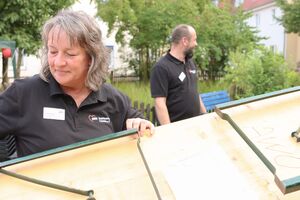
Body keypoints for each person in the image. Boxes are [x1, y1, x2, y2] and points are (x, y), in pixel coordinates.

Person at [0, 10, 154, 157]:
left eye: (70, 54)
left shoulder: (113, 99)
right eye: (53, 52)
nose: (58, 62)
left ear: (91, 58)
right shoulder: (24, 93)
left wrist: (141, 125)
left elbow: (142, 132)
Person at [150, 24, 207, 125]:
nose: (196, 44)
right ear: (184, 41)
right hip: (177, 128)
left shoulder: (190, 62)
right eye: (194, 40)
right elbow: (160, 103)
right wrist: (170, 131)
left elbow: (195, 92)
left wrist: (205, 115)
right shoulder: (161, 67)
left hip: (196, 125)